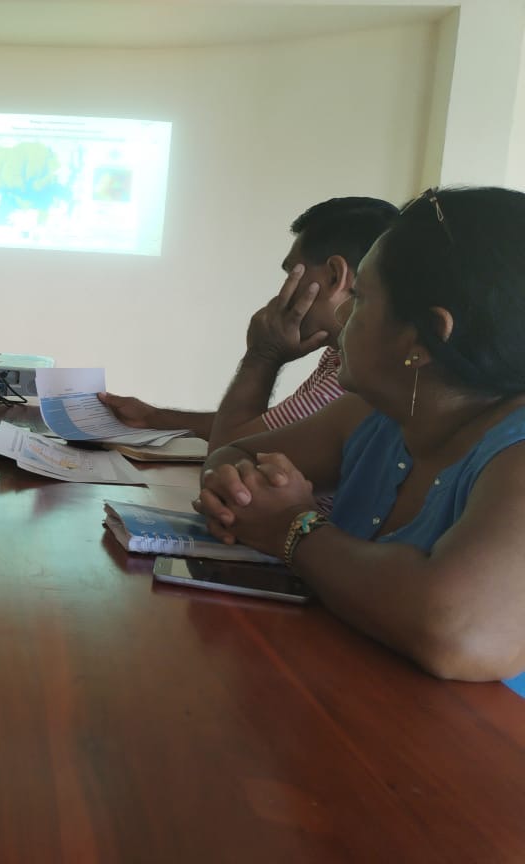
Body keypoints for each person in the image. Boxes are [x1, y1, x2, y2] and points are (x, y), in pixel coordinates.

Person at [194, 187, 525, 691]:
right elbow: (232, 453)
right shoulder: (378, 413)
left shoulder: (515, 453)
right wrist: (239, 489)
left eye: (362, 298)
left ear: (426, 336)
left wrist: (292, 528)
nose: (343, 315)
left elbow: (462, 632)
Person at [99, 197, 399, 451]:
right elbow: (267, 429)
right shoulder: (338, 356)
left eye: (291, 273)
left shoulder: (359, 378)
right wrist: (152, 418)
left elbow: (229, 455)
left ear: (334, 276)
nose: (282, 291)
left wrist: (263, 355)